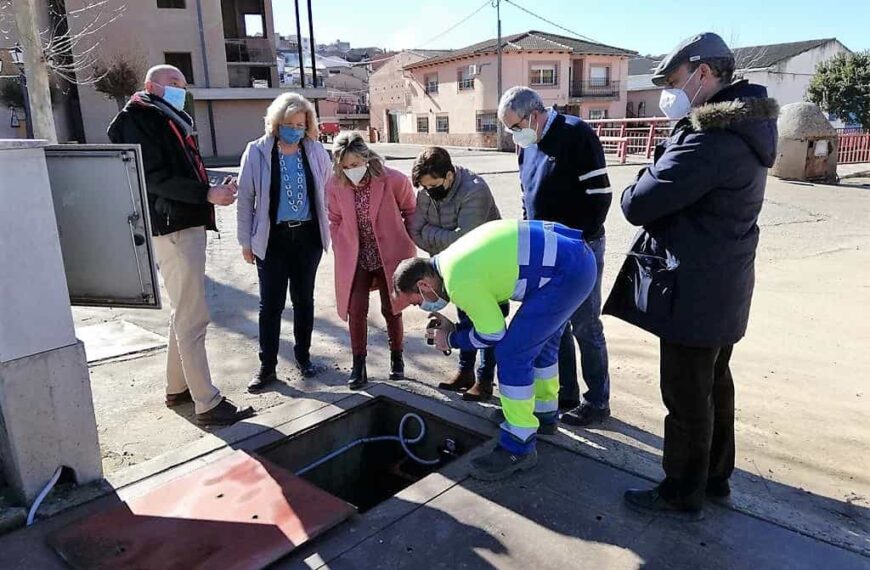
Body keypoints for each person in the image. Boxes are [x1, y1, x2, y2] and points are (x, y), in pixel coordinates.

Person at [604, 33, 778, 518]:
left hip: (695, 289)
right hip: (724, 282)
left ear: (703, 73)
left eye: (675, 81)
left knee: (685, 396)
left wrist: (652, 162)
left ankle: (681, 492)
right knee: (715, 385)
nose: (670, 93)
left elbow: (637, 204)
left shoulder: (709, 139)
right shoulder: (747, 127)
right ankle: (715, 479)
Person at [393, 220, 597, 480]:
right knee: (541, 346)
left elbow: (493, 333)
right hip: (574, 259)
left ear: (423, 285)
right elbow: (489, 304)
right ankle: (543, 413)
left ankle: (519, 444)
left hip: (565, 274)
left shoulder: (458, 281)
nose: (422, 306)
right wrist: (455, 327)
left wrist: (452, 340)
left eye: (417, 302)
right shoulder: (451, 260)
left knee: (512, 354)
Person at [107, 65, 254, 426]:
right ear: (150, 86)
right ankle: (207, 403)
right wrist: (207, 193)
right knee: (193, 317)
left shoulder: (165, 117)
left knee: (183, 311)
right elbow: (155, 178)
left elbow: (178, 170)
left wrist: (211, 188)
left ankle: (178, 388)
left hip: (182, 223)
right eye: (173, 83)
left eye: (183, 85)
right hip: (173, 227)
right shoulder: (141, 120)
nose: (180, 90)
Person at [498, 86, 612, 426]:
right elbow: (526, 197)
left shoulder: (577, 135)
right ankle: (566, 393)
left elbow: (599, 197)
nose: (514, 134)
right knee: (553, 326)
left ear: (533, 114)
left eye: (515, 126)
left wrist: (578, 244)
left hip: (581, 248)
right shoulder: (527, 147)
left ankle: (597, 401)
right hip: (542, 251)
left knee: (586, 325)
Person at [236, 93, 332, 392]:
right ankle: (268, 367)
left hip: (307, 238)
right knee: (271, 305)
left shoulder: (315, 151)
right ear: (276, 124)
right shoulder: (257, 152)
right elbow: (245, 200)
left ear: (308, 126)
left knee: (304, 301)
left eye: (301, 124)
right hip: (272, 239)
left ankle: (303, 357)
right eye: (289, 124)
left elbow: (328, 192)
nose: (295, 129)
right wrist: (246, 242)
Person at [408, 147, 504, 401]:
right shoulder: (426, 193)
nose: (429, 192)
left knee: (488, 322)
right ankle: (465, 372)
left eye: (434, 186)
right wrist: (447, 239)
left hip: (489, 268)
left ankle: (485, 380)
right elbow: (415, 230)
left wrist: (434, 236)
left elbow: (465, 241)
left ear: (449, 176)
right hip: (454, 269)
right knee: (463, 317)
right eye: (425, 188)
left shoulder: (475, 190)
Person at [326, 132, 416, 389]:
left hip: (390, 255)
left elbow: (410, 211)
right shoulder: (335, 185)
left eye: (354, 164)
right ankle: (358, 364)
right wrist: (339, 242)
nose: (350, 170)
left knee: (392, 308)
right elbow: (334, 218)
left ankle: (397, 358)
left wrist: (408, 241)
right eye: (344, 166)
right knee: (356, 309)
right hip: (356, 256)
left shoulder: (393, 180)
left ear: (366, 157)